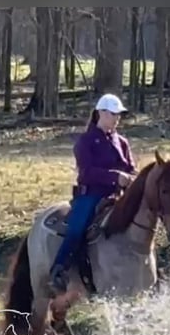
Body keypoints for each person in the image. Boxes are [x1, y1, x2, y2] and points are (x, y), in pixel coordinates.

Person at [49, 93, 137, 293]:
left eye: (119, 115)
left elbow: (131, 167)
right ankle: (59, 268)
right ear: (101, 113)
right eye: (113, 114)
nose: (117, 118)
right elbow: (86, 172)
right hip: (91, 194)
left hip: (118, 195)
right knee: (77, 229)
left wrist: (133, 178)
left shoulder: (122, 141)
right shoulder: (86, 141)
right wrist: (116, 177)